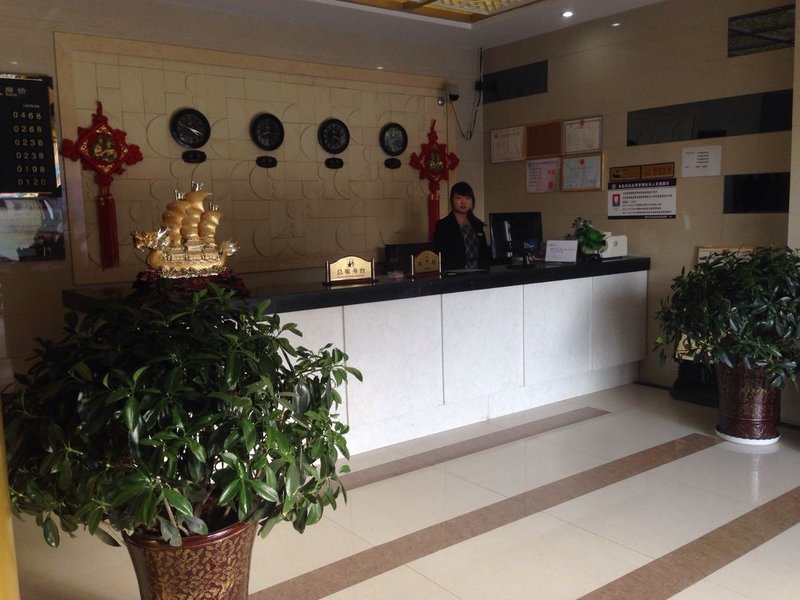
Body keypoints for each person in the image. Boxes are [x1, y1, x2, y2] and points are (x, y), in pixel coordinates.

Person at [433, 181, 490, 270]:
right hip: (455, 274)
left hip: (479, 273)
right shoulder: (443, 225)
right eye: (458, 198)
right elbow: (442, 256)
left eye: (467, 198)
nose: (463, 202)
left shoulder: (477, 224)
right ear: (452, 200)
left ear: (472, 201)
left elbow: (484, 252)